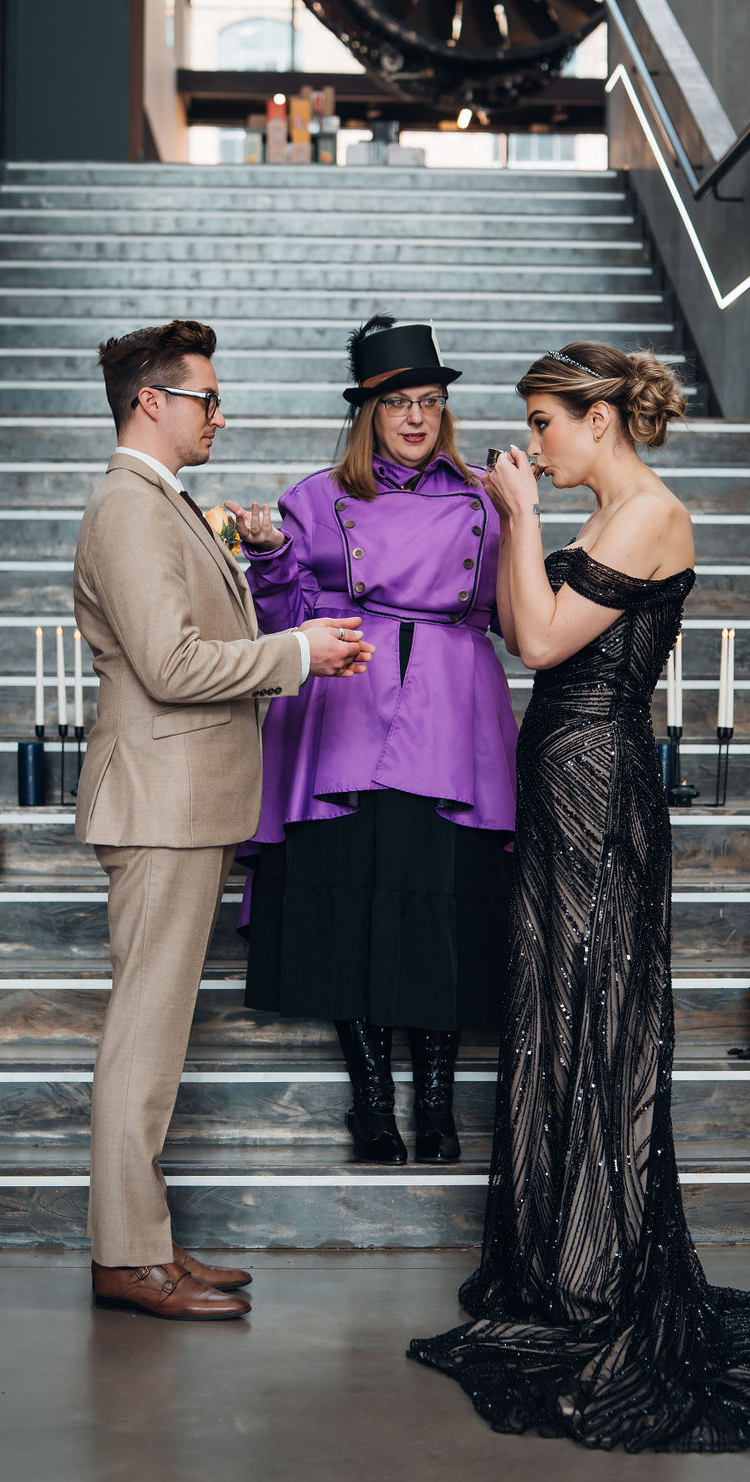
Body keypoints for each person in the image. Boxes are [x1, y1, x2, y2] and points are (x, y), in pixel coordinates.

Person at [408, 344, 750, 1450]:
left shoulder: (648, 513)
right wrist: (516, 524)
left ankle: (601, 1271)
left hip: (599, 789)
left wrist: (510, 515)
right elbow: (520, 633)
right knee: (553, 1009)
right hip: (559, 778)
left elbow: (546, 634)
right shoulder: (607, 516)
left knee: (596, 1012)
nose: (536, 445)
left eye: (546, 423)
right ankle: (562, 1258)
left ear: (599, 418)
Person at [74, 319, 373, 1320]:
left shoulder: (163, 505)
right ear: (151, 402)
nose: (219, 413)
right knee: (143, 1037)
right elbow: (170, 667)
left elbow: (189, 635)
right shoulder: (129, 509)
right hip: (159, 804)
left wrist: (239, 566)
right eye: (205, 397)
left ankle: (145, 1241)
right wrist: (296, 653)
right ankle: (127, 1256)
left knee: (157, 1035)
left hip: (183, 801)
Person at [227, 316, 518, 1165]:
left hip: (453, 717)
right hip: (345, 713)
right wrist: (274, 558)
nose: (418, 418)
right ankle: (371, 1104)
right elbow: (278, 625)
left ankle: (434, 1104)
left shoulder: (485, 500)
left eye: (431, 401)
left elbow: (515, 611)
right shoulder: (314, 499)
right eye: (400, 403)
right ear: (368, 412)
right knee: (349, 904)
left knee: (440, 909)